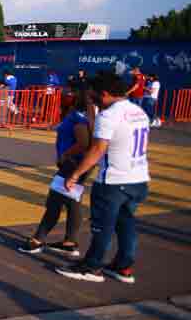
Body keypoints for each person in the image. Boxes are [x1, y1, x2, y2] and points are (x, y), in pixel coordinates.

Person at [56, 72, 150, 284]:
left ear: (105, 94)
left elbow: (97, 149)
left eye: (94, 96)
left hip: (113, 181)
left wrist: (76, 174)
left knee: (102, 226)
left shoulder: (108, 116)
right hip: (138, 177)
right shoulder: (137, 111)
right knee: (126, 224)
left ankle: (92, 266)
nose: (92, 99)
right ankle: (123, 266)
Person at [18, 90, 92, 258]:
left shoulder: (78, 118)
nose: (64, 96)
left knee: (54, 201)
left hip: (73, 164)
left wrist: (66, 154)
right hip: (73, 163)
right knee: (72, 202)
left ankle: (38, 239)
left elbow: (83, 142)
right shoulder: (75, 115)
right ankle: (69, 241)